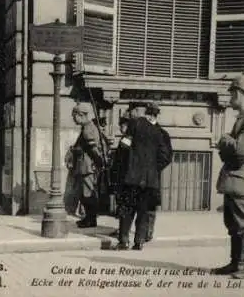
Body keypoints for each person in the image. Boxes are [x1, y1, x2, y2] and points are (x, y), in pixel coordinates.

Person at [114, 103, 171, 251]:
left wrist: (124, 166)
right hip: (149, 180)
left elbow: (124, 146)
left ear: (144, 112)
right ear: (155, 114)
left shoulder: (135, 124)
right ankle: (139, 242)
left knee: (127, 210)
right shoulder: (160, 133)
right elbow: (166, 157)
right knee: (143, 211)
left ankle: (123, 241)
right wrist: (152, 169)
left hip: (132, 177)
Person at [214, 67, 244, 279]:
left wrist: (226, 141)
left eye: (232, 93)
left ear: (240, 93)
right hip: (237, 181)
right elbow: (231, 149)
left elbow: (241, 150)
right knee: (233, 225)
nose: (229, 97)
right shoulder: (243, 118)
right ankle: (236, 262)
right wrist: (228, 142)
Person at [70, 103, 106, 228]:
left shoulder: (88, 130)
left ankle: (91, 219)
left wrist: (100, 163)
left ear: (81, 115)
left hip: (88, 167)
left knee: (88, 194)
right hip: (84, 166)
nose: (73, 118)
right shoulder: (87, 128)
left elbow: (94, 150)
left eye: (74, 115)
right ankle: (89, 218)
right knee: (85, 194)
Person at [145, 103, 173, 242]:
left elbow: (167, 156)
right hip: (143, 174)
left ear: (150, 116)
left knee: (150, 202)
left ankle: (148, 231)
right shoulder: (141, 130)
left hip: (152, 174)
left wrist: (155, 168)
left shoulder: (162, 133)